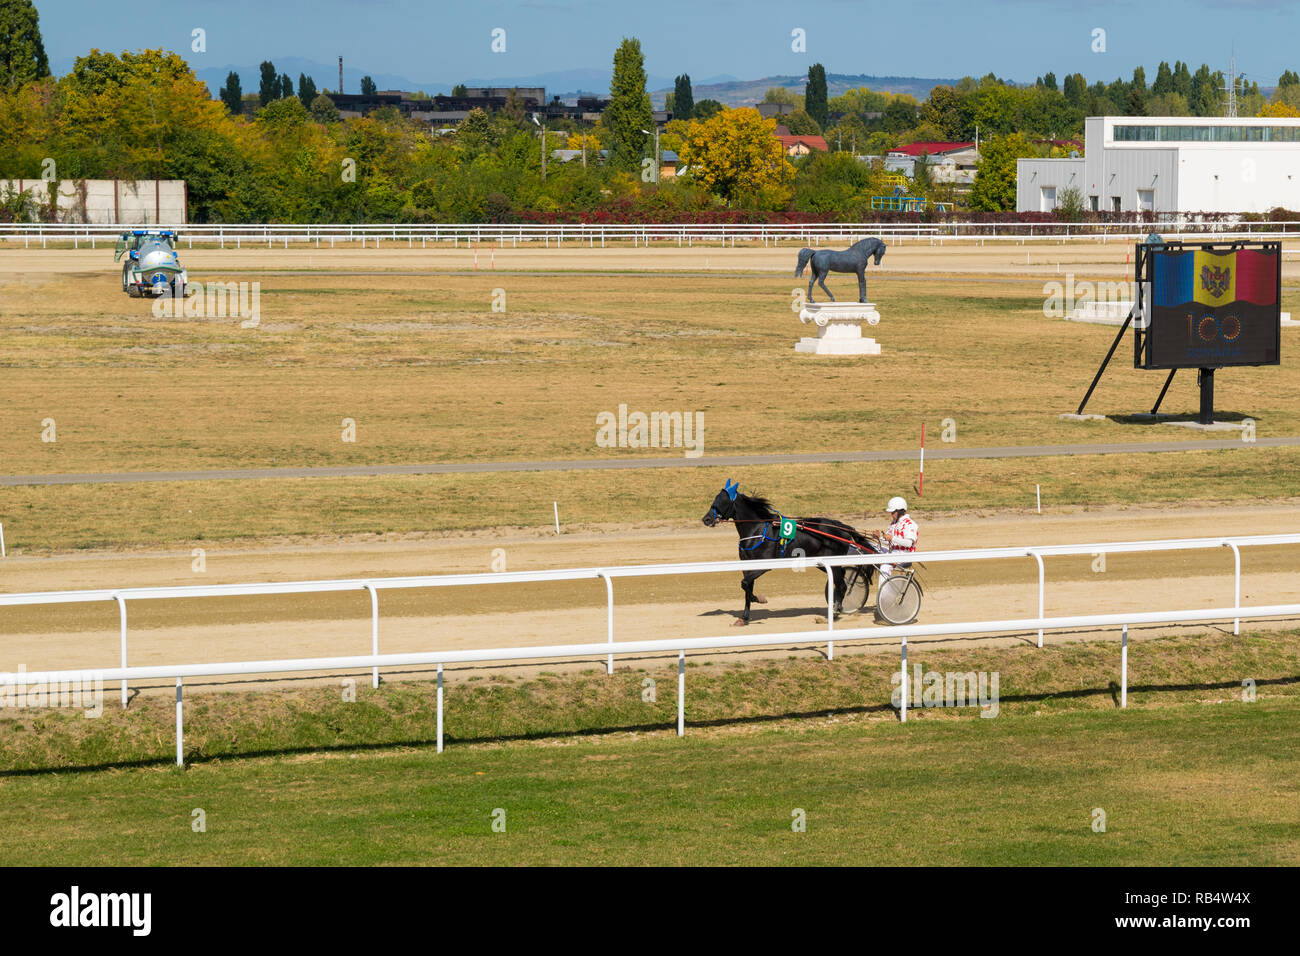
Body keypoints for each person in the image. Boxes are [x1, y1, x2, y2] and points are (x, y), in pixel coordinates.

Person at [877, 496, 918, 581]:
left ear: (900, 511)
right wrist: (879, 537)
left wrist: (892, 538)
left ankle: (884, 593)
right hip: (893, 553)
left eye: (893, 512)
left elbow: (909, 543)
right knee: (872, 547)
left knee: (884, 567)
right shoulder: (894, 524)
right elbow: (888, 541)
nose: (891, 514)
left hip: (904, 556)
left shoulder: (910, 524)